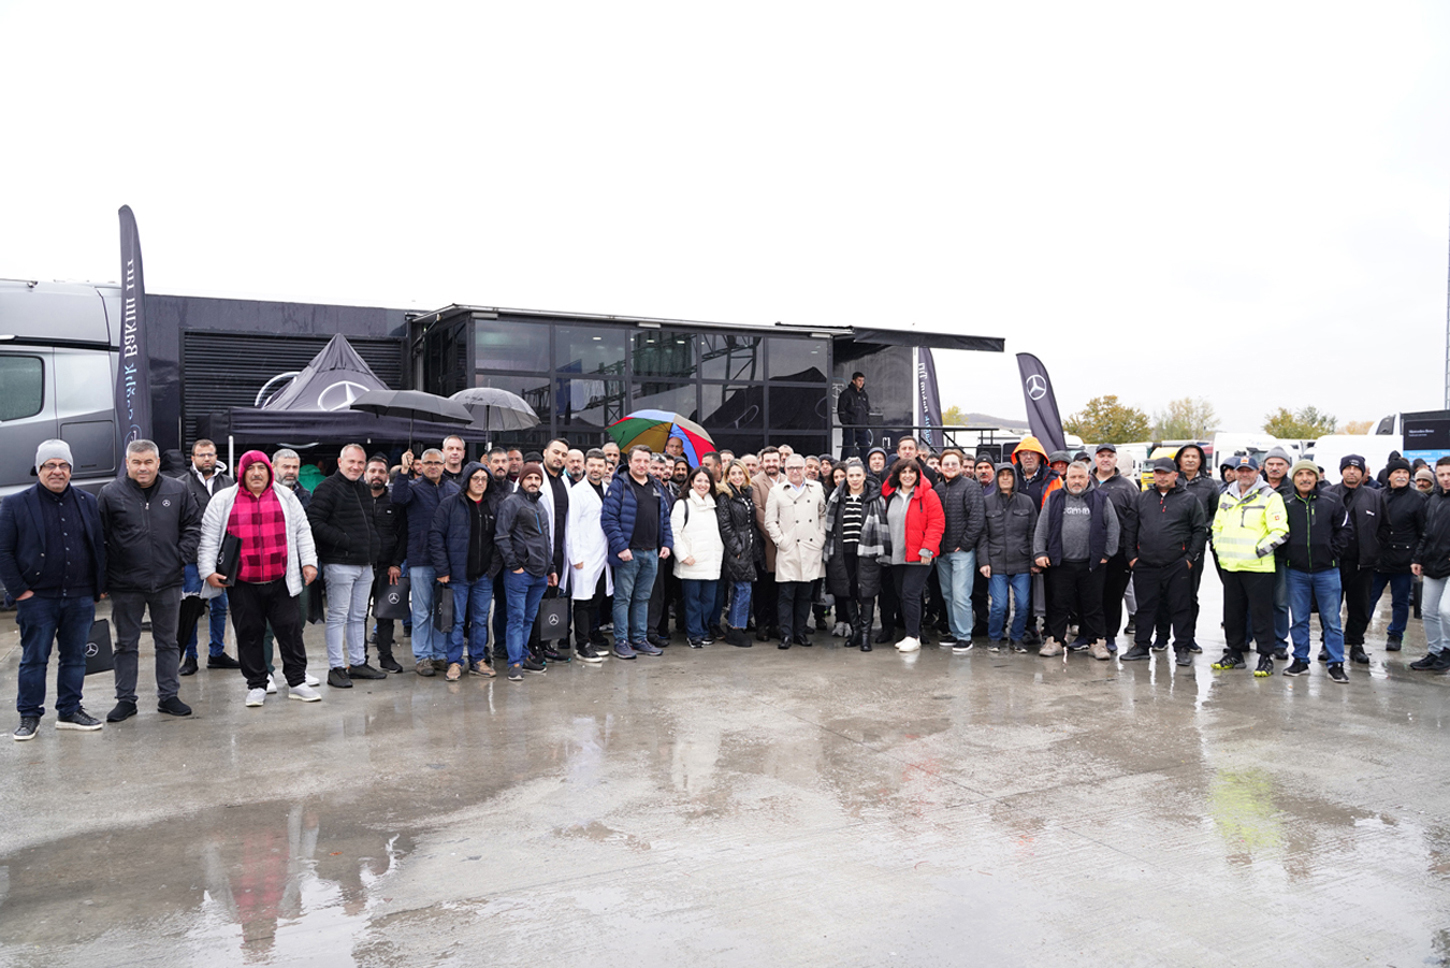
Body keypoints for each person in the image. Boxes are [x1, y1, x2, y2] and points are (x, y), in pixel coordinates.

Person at [2, 440, 109, 739]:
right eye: (50, 465)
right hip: (37, 599)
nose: (57, 471)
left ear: (71, 470)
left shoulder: (88, 501)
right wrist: (20, 591)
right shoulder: (15, 503)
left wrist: (99, 587)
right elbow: (3, 551)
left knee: (75, 657)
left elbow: (98, 546)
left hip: (80, 597)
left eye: (63, 465)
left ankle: (69, 710)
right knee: (34, 658)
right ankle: (29, 715)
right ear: (39, 469)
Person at [198, 450, 321, 707]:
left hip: (281, 580)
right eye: (250, 468)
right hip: (243, 582)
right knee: (249, 633)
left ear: (269, 471)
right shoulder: (223, 500)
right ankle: (257, 684)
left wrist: (309, 562)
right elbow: (208, 538)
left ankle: (297, 681)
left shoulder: (286, 497)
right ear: (240, 472)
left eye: (261, 468)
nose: (256, 473)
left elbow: (302, 531)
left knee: (290, 631)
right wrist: (208, 571)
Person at [98, 438, 202, 722]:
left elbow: (193, 526)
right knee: (125, 644)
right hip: (125, 584)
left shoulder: (178, 490)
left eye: (148, 462)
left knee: (167, 642)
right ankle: (125, 700)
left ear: (157, 463)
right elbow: (101, 538)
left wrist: (179, 556)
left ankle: (168, 696)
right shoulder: (110, 494)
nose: (142, 468)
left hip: (167, 581)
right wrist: (104, 579)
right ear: (128, 464)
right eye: (136, 462)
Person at [308, 444, 384, 688]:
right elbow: (315, 523)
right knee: (338, 616)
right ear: (340, 462)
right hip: (340, 563)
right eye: (351, 462)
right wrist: (345, 542)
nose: (356, 467)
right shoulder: (326, 488)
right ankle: (336, 667)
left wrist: (373, 546)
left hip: (365, 563)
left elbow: (369, 522)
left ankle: (358, 662)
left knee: (358, 616)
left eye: (360, 463)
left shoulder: (362, 489)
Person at [1119, 457, 1207, 665]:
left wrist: (1189, 559)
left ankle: (1182, 648)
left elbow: (1199, 530)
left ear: (1175, 475)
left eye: (1166, 473)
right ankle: (1141, 645)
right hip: (1146, 565)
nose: (1161, 476)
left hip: (1177, 565)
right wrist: (1132, 557)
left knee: (1180, 608)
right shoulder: (1142, 499)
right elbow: (1130, 529)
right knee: (1145, 608)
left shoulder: (1189, 499)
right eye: (1158, 472)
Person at [1208, 456, 1288, 674]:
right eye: (1240, 470)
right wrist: (1219, 547)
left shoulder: (1270, 497)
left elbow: (1280, 531)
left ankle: (1265, 656)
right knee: (1233, 613)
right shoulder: (1226, 494)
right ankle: (1235, 653)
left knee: (1261, 614)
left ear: (1257, 471)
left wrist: (1258, 550)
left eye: (1249, 470)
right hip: (1230, 564)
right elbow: (1217, 526)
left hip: (1258, 567)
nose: (1244, 474)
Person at [1032, 462, 1119, 660]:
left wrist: (1107, 553)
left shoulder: (1101, 499)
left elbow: (1113, 528)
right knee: (1058, 604)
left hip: (1092, 562)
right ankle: (1054, 640)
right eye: (1073, 477)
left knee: (1093, 604)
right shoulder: (1054, 498)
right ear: (1067, 478)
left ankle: (1097, 642)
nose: (1077, 481)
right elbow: (1041, 528)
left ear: (1088, 478)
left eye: (1081, 477)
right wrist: (1039, 552)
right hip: (1060, 562)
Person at [1280, 459, 1352, 683]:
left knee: (1331, 620)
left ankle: (1336, 662)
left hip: (1327, 571)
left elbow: (1345, 529)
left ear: (1316, 477)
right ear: (1294, 478)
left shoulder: (1331, 500)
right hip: (1296, 571)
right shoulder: (1285, 502)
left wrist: (1332, 552)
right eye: (1299, 474)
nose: (1304, 478)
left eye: (1309, 474)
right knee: (1299, 619)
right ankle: (1300, 659)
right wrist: (1288, 555)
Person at [601, 445, 674, 660]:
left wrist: (667, 543)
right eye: (638, 460)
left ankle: (640, 639)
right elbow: (608, 519)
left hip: (651, 552)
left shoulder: (656, 486)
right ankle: (622, 641)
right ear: (630, 462)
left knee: (643, 598)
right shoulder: (620, 485)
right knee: (623, 599)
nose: (642, 465)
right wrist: (621, 547)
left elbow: (665, 519)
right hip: (628, 554)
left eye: (646, 461)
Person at [392, 448, 460, 676]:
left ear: (443, 464)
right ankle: (423, 657)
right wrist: (403, 471)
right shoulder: (413, 488)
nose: (432, 467)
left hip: (448, 561)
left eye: (437, 463)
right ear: (419, 466)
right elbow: (398, 499)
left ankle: (440, 655)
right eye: (428, 463)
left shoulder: (453, 489)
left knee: (443, 610)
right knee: (422, 612)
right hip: (420, 559)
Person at [175, 438, 240, 675]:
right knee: (190, 608)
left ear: (216, 456)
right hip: (192, 557)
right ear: (192, 458)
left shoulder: (229, 483)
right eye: (201, 455)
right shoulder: (181, 485)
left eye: (210, 454)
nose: (206, 459)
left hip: (222, 557)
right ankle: (190, 657)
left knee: (220, 606)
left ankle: (217, 653)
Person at [430, 461, 499, 681]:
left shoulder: (493, 506)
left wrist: (492, 570)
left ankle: (478, 660)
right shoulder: (450, 504)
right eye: (476, 478)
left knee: (480, 620)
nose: (480, 483)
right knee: (456, 621)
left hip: (483, 577)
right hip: (457, 575)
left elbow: (500, 539)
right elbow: (436, 536)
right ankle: (454, 662)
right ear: (467, 480)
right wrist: (442, 568)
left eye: (484, 479)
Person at [495, 462, 557, 680]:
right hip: (520, 574)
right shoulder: (511, 502)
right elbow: (502, 536)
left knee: (529, 619)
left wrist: (551, 568)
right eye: (529, 478)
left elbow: (546, 540)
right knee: (516, 618)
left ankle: (522, 655)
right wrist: (515, 566)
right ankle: (514, 664)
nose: (533, 482)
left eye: (537, 479)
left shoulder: (540, 505)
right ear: (521, 479)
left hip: (540, 574)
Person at [876, 458, 944, 653]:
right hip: (896, 555)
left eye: (911, 472)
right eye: (903, 472)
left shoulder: (928, 495)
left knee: (910, 594)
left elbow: (937, 523)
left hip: (920, 555)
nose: (907, 475)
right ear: (897, 475)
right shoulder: (890, 495)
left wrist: (928, 548)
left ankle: (913, 636)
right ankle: (911, 632)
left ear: (917, 475)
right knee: (903, 595)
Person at [1154, 443, 1216, 653]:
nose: (1190, 460)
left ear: (1201, 461)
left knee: (1189, 595)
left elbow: (1215, 514)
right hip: (1169, 547)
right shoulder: (1170, 480)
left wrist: (1203, 531)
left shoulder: (1209, 485)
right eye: (1186, 456)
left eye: (1195, 457)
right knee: (1163, 594)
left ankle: (1188, 637)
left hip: (1194, 548)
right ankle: (1162, 636)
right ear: (1178, 460)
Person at [1327, 454, 1388, 665]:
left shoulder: (1375, 496)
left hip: (1363, 563)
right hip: (1333, 562)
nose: (1351, 472)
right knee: (1331, 605)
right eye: (1347, 468)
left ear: (1363, 472)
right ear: (1341, 471)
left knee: (1359, 606)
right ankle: (1329, 643)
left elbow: (1385, 528)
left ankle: (1356, 643)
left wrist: (1375, 547)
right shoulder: (1329, 493)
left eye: (1356, 469)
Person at [764, 454, 829, 649]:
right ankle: (786, 634)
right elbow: (770, 521)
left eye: (798, 468)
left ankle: (801, 632)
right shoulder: (777, 491)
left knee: (805, 595)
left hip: (810, 549)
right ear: (785, 468)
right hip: (789, 549)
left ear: (804, 469)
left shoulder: (816, 488)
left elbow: (823, 514)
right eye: (791, 467)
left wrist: (820, 538)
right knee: (786, 595)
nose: (795, 471)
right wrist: (781, 541)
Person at [824, 459, 887, 652]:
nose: (854, 479)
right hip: (843, 553)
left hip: (867, 552)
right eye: (850, 476)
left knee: (866, 592)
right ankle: (856, 631)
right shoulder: (837, 497)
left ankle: (866, 636)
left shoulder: (875, 498)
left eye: (858, 475)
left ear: (864, 476)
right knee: (848, 591)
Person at [1370, 456, 1426, 652]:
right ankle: (1356, 632)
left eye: (1405, 473)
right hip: (1378, 560)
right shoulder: (1377, 495)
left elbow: (1423, 532)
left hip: (1404, 561)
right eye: (1397, 472)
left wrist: (1417, 558)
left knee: (1400, 602)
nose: (1401, 476)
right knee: (1368, 598)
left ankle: (1396, 635)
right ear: (1389, 476)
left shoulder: (1419, 499)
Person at [980, 463, 1037, 651]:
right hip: (996, 562)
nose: (1005, 478)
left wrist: (1033, 561)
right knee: (999, 605)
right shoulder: (987, 501)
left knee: (1022, 604)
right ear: (997, 478)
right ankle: (995, 638)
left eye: (1009, 475)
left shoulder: (1026, 502)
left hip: (1021, 562)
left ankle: (1017, 638)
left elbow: (1033, 533)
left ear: (1014, 478)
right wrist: (984, 561)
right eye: (1001, 475)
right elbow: (983, 535)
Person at [934, 449, 986, 652]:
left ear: (961, 465)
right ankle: (955, 633)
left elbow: (977, 519)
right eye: (946, 464)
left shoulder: (970, 487)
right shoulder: (937, 489)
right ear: (940, 466)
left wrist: (964, 544)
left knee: (961, 595)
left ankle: (965, 635)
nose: (950, 467)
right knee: (948, 594)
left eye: (954, 463)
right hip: (942, 552)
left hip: (962, 552)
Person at [565, 449, 614, 662]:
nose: (595, 469)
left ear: (605, 468)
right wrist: (575, 557)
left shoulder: (608, 489)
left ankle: (591, 638)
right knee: (583, 601)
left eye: (599, 465)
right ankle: (582, 645)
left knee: (598, 598)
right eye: (592, 465)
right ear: (585, 466)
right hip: (584, 556)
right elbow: (571, 526)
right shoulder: (577, 492)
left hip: (603, 556)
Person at [1090, 444, 1139, 654]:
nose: (1106, 459)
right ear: (1096, 459)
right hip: (1088, 553)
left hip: (1118, 553)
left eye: (1110, 456)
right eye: (1102, 456)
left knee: (1112, 597)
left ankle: (1109, 636)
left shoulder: (1127, 487)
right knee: (1090, 597)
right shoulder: (1085, 482)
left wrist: (1132, 552)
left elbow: (1135, 521)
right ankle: (1090, 636)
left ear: (1116, 460)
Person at [362, 455, 407, 673]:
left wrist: (396, 563)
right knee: (357, 616)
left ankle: (386, 658)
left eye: (381, 472)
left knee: (386, 615)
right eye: (373, 471)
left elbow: (403, 535)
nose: (377, 475)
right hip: (360, 567)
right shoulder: (357, 499)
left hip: (386, 568)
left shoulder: (395, 502)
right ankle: (359, 658)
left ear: (387, 476)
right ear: (365, 474)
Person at [671, 467, 724, 648]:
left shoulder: (713, 505)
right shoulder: (682, 504)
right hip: (691, 562)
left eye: (707, 481)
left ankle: (703, 630)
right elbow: (674, 533)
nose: (703, 484)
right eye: (699, 480)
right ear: (692, 482)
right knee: (693, 602)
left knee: (708, 601)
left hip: (711, 562)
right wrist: (683, 555)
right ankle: (694, 634)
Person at [1410, 457, 1450, 671]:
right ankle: (1435, 652)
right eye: (1442, 474)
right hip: (1433, 563)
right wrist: (1418, 558)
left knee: (1446, 610)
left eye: (1449, 474)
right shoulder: (1433, 500)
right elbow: (1426, 533)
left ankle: (1447, 649)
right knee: (1428, 611)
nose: (1446, 479)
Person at [715, 459, 757, 648]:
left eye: (740, 473)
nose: (737, 477)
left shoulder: (746, 493)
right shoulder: (725, 496)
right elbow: (725, 525)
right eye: (733, 474)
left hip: (749, 546)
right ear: (727, 476)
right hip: (737, 549)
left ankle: (738, 625)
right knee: (742, 588)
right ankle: (735, 628)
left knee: (744, 587)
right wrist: (736, 548)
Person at [750, 446, 784, 641]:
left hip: (786, 545)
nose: (771, 464)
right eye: (768, 461)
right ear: (762, 463)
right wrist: (777, 534)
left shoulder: (788, 481)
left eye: (775, 460)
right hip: (765, 544)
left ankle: (776, 624)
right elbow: (758, 511)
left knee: (779, 589)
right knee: (763, 588)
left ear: (781, 462)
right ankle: (762, 625)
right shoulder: (755, 483)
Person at [837, 371, 872, 458]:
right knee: (847, 451)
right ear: (853, 381)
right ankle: (843, 468)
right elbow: (841, 410)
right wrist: (847, 424)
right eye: (859, 380)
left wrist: (866, 423)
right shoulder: (846, 394)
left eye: (862, 380)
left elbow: (867, 410)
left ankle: (866, 469)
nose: (861, 383)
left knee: (866, 451)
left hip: (863, 428)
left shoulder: (864, 395)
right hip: (850, 429)